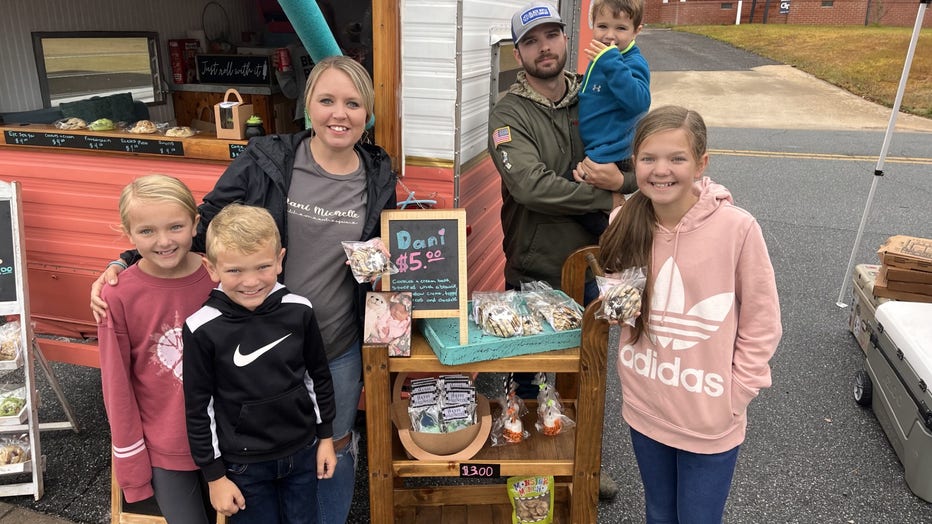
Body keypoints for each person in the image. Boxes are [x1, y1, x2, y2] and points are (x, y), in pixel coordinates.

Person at [91, 55, 398, 523]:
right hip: (260, 343)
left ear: (367, 112)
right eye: (327, 100)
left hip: (334, 341)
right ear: (307, 105)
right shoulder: (269, 159)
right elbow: (204, 221)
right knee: (260, 459)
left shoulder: (377, 173)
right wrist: (129, 260)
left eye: (353, 103)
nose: (340, 113)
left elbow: (383, 249)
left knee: (333, 445)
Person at [598, 105, 782, 522]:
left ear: (701, 163)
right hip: (646, 405)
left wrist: (735, 397)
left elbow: (762, 323)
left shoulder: (737, 229)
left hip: (708, 417)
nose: (661, 170)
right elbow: (619, 308)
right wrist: (614, 301)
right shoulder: (622, 220)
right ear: (635, 162)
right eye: (648, 158)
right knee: (659, 513)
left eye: (676, 158)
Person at [488, 0, 626, 499]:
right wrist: (608, 193)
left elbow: (638, 157)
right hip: (537, 265)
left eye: (551, 35)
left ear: (566, 38)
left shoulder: (597, 90)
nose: (543, 47)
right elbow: (531, 186)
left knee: (588, 369)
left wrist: (624, 178)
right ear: (518, 52)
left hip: (596, 261)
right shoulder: (509, 114)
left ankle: (585, 458)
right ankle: (528, 469)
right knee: (529, 371)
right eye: (530, 40)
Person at [183, 204, 336, 523]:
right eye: (235, 270)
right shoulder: (202, 328)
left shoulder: (299, 311)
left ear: (280, 260)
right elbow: (199, 407)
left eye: (262, 267)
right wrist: (214, 476)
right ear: (211, 268)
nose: (250, 282)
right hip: (243, 465)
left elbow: (317, 377)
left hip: (303, 452)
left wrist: (325, 438)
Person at [97, 174, 214, 524]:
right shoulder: (117, 296)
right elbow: (117, 388)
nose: (164, 241)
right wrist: (131, 466)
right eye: (147, 231)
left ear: (195, 224)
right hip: (166, 451)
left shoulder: (223, 277)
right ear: (128, 234)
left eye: (175, 226)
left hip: (231, 443)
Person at [565, 0, 650, 236]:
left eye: (621, 28)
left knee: (584, 207)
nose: (610, 36)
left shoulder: (630, 61)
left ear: (636, 31)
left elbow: (640, 101)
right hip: (596, 148)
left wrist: (612, 63)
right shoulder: (604, 58)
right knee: (583, 206)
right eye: (602, 26)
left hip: (610, 153)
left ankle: (620, 239)